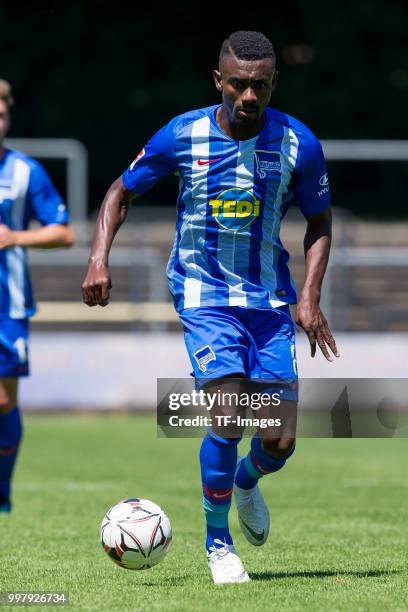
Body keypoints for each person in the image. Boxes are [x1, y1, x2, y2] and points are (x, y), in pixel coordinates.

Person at [82, 30, 339, 584]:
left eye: (260, 86)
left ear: (274, 84)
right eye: (239, 85)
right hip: (204, 296)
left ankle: (246, 481)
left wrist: (311, 297)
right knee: (228, 413)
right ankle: (219, 545)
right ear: (218, 81)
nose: (249, 97)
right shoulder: (184, 134)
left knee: (279, 439)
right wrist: (98, 258)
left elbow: (319, 222)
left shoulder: (299, 143)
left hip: (269, 302)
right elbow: (119, 192)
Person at [0, 79, 74, 513]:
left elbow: (64, 232)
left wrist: (16, 237)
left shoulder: (25, 172)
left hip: (6, 304)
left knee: (4, 400)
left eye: (3, 113)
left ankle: (3, 492)